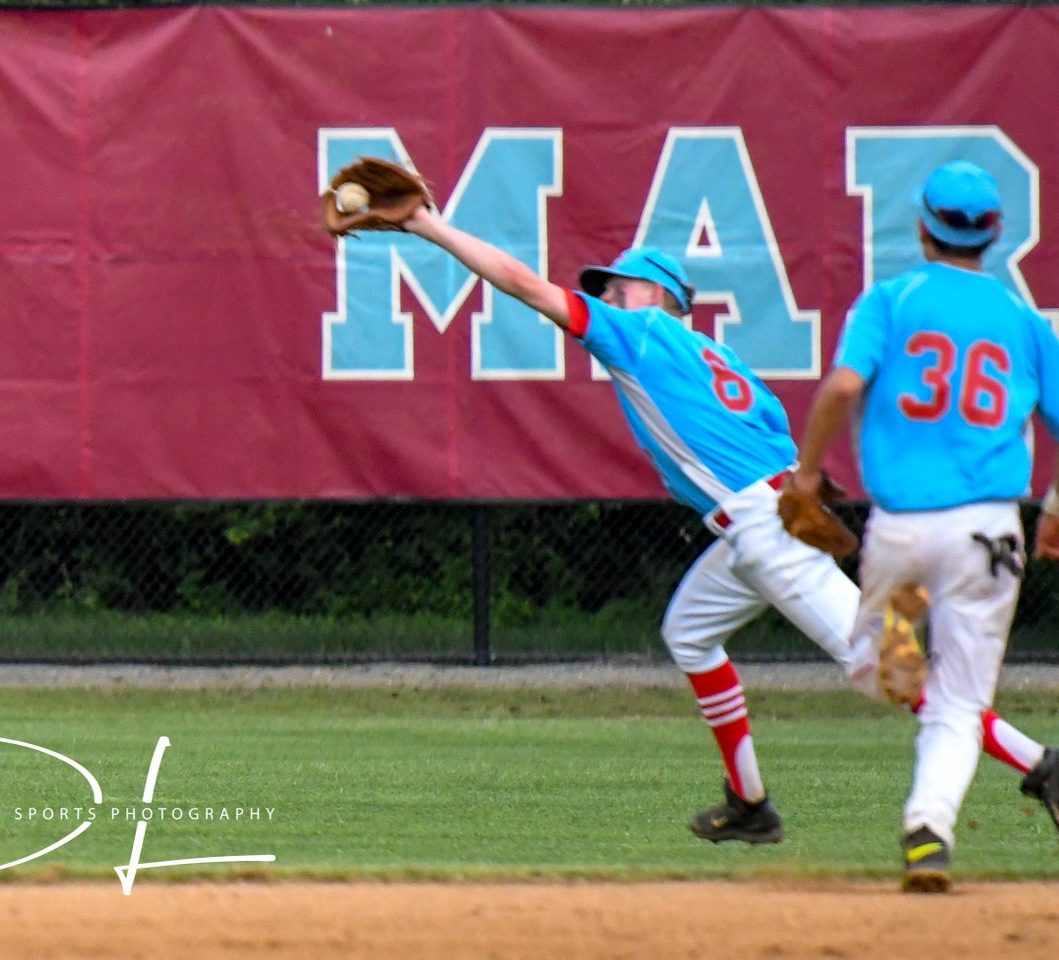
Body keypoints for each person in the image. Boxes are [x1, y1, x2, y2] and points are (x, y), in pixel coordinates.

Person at [396, 198, 1058, 848]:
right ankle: (749, 804)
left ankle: (1042, 765)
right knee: (689, 633)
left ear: (655, 297)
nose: (606, 299)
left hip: (763, 530)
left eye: (618, 288)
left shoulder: (641, 333)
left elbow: (520, 283)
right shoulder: (724, 362)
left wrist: (429, 226)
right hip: (758, 523)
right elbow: (778, 438)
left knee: (886, 667)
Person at [789, 159, 1059, 892]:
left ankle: (929, 831)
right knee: (960, 700)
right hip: (988, 536)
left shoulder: (892, 299)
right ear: (995, 233)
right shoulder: (1023, 322)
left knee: (882, 674)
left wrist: (807, 477)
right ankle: (928, 827)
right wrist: (1055, 511)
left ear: (922, 226)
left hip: (905, 536)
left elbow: (844, 386)